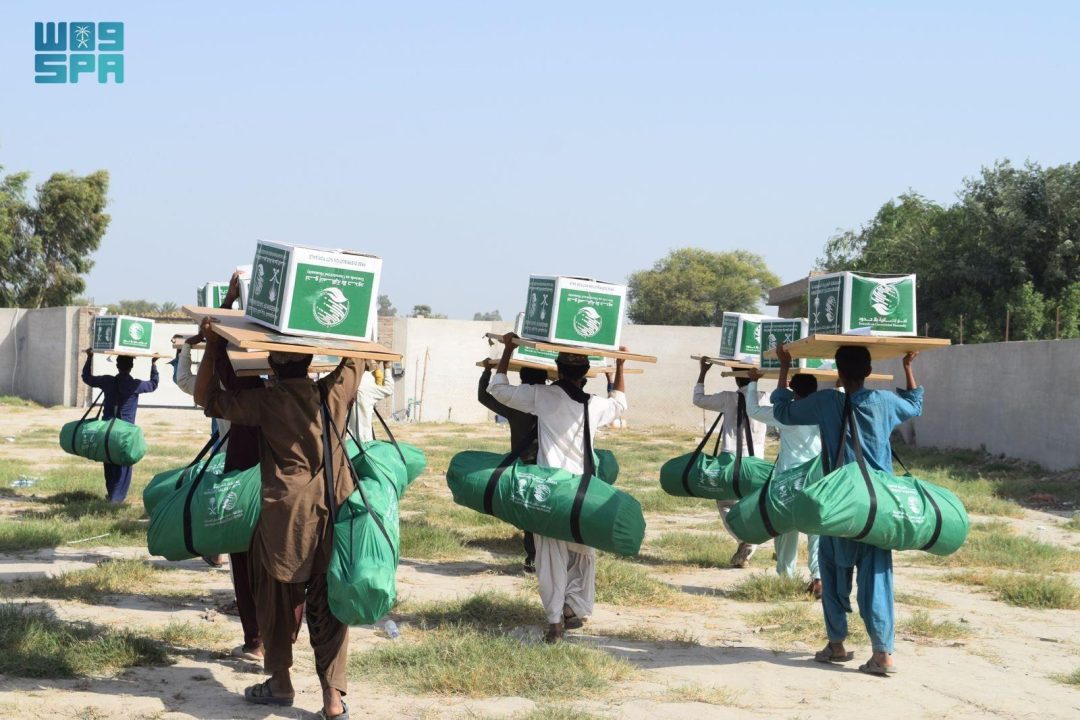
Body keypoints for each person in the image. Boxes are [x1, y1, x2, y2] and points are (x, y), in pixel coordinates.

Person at [194, 315, 360, 719]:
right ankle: (332, 700)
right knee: (330, 608)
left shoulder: (266, 402)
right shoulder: (333, 393)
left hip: (282, 519)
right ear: (310, 361)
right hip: (331, 516)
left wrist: (213, 344)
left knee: (274, 600)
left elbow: (206, 398)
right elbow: (356, 358)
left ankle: (281, 683)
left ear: (271, 364)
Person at [772, 345, 922, 677]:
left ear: (838, 373)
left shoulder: (827, 402)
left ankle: (836, 644)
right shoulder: (884, 401)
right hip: (878, 505)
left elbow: (782, 411)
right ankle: (882, 654)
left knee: (832, 570)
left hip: (839, 503)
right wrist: (907, 366)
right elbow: (915, 404)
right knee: (877, 576)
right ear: (868, 371)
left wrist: (784, 367)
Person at [488, 334, 627, 643]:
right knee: (583, 556)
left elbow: (497, 390)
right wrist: (619, 364)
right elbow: (620, 403)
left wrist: (509, 349)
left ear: (558, 370)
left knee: (550, 557)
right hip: (583, 493)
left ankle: (555, 623)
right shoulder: (595, 404)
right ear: (585, 373)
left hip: (550, 490)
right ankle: (573, 608)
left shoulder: (544, 396)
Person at [743, 368, 823, 596]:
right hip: (815, 478)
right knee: (817, 530)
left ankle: (786, 579)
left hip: (788, 480)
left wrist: (753, 382)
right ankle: (819, 578)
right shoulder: (823, 413)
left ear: (793, 391)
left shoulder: (786, 413)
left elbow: (753, 409)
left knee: (785, 529)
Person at [692, 358, 767, 568]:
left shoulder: (728, 398)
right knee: (754, 505)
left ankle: (745, 540)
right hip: (757, 463)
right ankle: (751, 541)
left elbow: (698, 399)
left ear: (735, 376)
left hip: (730, 461)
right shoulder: (766, 398)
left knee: (725, 503)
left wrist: (703, 372)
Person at [477, 359, 549, 573]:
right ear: (546, 379)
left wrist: (487, 371)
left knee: (531, 509)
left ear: (522, 379)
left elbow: (483, 396)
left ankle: (533, 558)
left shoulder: (515, 403)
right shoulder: (555, 401)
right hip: (552, 464)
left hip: (525, 465)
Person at [81, 349, 159, 503]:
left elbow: (87, 378)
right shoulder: (135, 385)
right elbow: (153, 384)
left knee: (108, 460)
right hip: (125, 433)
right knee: (123, 463)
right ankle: (116, 499)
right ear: (131, 367)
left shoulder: (107, 381)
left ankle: (112, 494)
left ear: (117, 365)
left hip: (107, 430)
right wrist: (154, 365)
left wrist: (89, 357)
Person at [348, 360, 395, 442]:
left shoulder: (348, 377)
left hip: (345, 437)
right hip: (362, 438)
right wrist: (387, 368)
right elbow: (389, 389)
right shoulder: (366, 380)